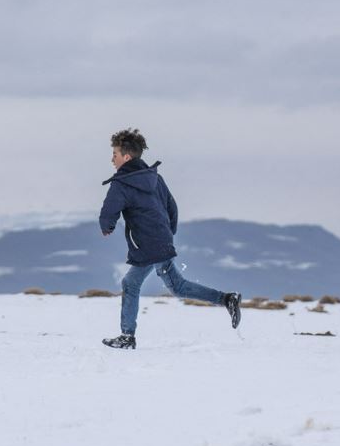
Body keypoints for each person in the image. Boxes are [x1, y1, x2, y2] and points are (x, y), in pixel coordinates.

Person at [98, 128, 241, 349]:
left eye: (115, 154)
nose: (112, 159)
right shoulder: (155, 178)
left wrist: (106, 226)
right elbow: (171, 206)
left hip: (147, 244)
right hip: (161, 240)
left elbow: (109, 211)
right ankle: (226, 299)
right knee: (177, 286)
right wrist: (168, 232)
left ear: (126, 157)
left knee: (131, 283)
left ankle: (127, 336)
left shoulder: (122, 184)